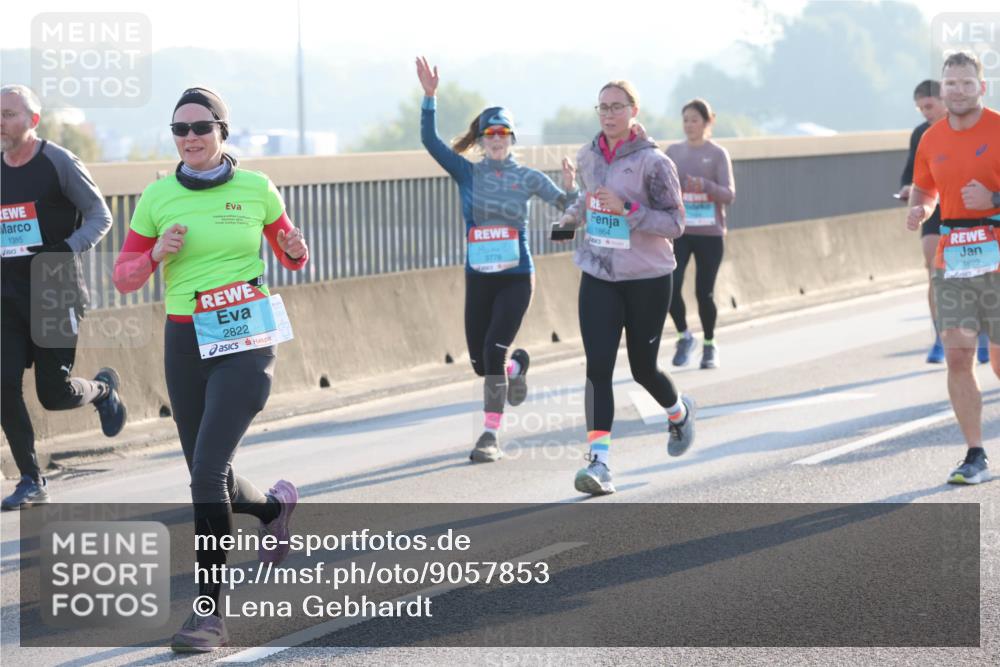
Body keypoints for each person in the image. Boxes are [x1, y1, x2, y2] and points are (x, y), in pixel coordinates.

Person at [112, 87, 309, 651]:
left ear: (223, 131)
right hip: (185, 340)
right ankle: (273, 508)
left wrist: (294, 247)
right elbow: (124, 277)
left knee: (205, 470)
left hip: (246, 334)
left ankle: (207, 617)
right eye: (179, 130)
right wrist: (154, 255)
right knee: (210, 472)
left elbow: (292, 252)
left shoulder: (257, 189)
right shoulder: (157, 197)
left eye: (200, 127)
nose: (190, 138)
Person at [415, 56, 578, 463]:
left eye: (504, 132)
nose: (497, 138)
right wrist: (430, 98)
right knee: (480, 361)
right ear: (482, 138)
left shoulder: (527, 177)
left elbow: (568, 208)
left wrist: (572, 189)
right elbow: (431, 143)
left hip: (516, 276)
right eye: (490, 133)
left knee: (493, 348)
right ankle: (514, 371)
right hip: (479, 276)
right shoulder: (468, 173)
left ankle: (490, 436)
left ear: (512, 138)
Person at [554, 80, 695, 495]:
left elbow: (675, 223)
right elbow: (588, 200)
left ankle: (678, 412)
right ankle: (599, 464)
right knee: (597, 369)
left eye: (617, 106)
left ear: (634, 110)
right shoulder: (588, 155)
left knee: (642, 369)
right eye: (602, 107)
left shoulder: (655, 163)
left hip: (647, 278)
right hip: (599, 273)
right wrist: (570, 217)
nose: (609, 114)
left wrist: (629, 210)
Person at [1, 84, 127, 511]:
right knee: (2, 384)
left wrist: (67, 249)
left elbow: (101, 215)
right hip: (7, 295)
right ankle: (31, 480)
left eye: (9, 114)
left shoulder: (58, 161)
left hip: (55, 291)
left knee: (53, 394)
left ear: (32, 121)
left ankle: (103, 391)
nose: (0, 121)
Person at [907, 52, 1000, 485]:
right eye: (950, 83)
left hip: (997, 251)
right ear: (941, 89)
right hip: (954, 255)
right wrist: (920, 210)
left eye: (966, 83)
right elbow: (925, 188)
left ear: (982, 87)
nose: (957, 90)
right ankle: (975, 454)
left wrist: (995, 202)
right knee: (959, 355)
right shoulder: (931, 138)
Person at [897, 80, 990, 365]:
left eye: (929, 106)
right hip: (936, 208)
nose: (925, 112)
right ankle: (942, 334)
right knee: (935, 272)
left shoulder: (981, 127)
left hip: (972, 209)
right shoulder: (922, 135)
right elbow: (912, 172)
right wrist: (910, 195)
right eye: (920, 108)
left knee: (977, 274)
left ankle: (985, 333)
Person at [665, 99, 734, 368]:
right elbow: (661, 188)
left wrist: (704, 185)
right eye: (685, 120)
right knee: (670, 288)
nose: (689, 125)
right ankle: (684, 335)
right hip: (680, 232)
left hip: (709, 232)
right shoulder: (673, 152)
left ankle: (709, 344)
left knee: (703, 293)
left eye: (694, 120)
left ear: (707, 123)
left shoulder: (717, 154)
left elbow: (729, 194)